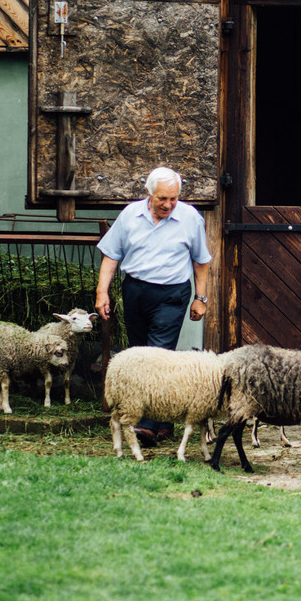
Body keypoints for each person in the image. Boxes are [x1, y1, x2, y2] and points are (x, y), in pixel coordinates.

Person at [95, 166, 212, 447]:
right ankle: (163, 420)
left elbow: (201, 260)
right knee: (137, 351)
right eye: (162, 199)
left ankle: (145, 427)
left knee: (157, 353)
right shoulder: (130, 215)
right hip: (135, 289)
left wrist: (201, 297)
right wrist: (102, 292)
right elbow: (112, 256)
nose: (168, 204)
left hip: (172, 294)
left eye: (173, 198)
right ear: (148, 193)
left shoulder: (190, 218)